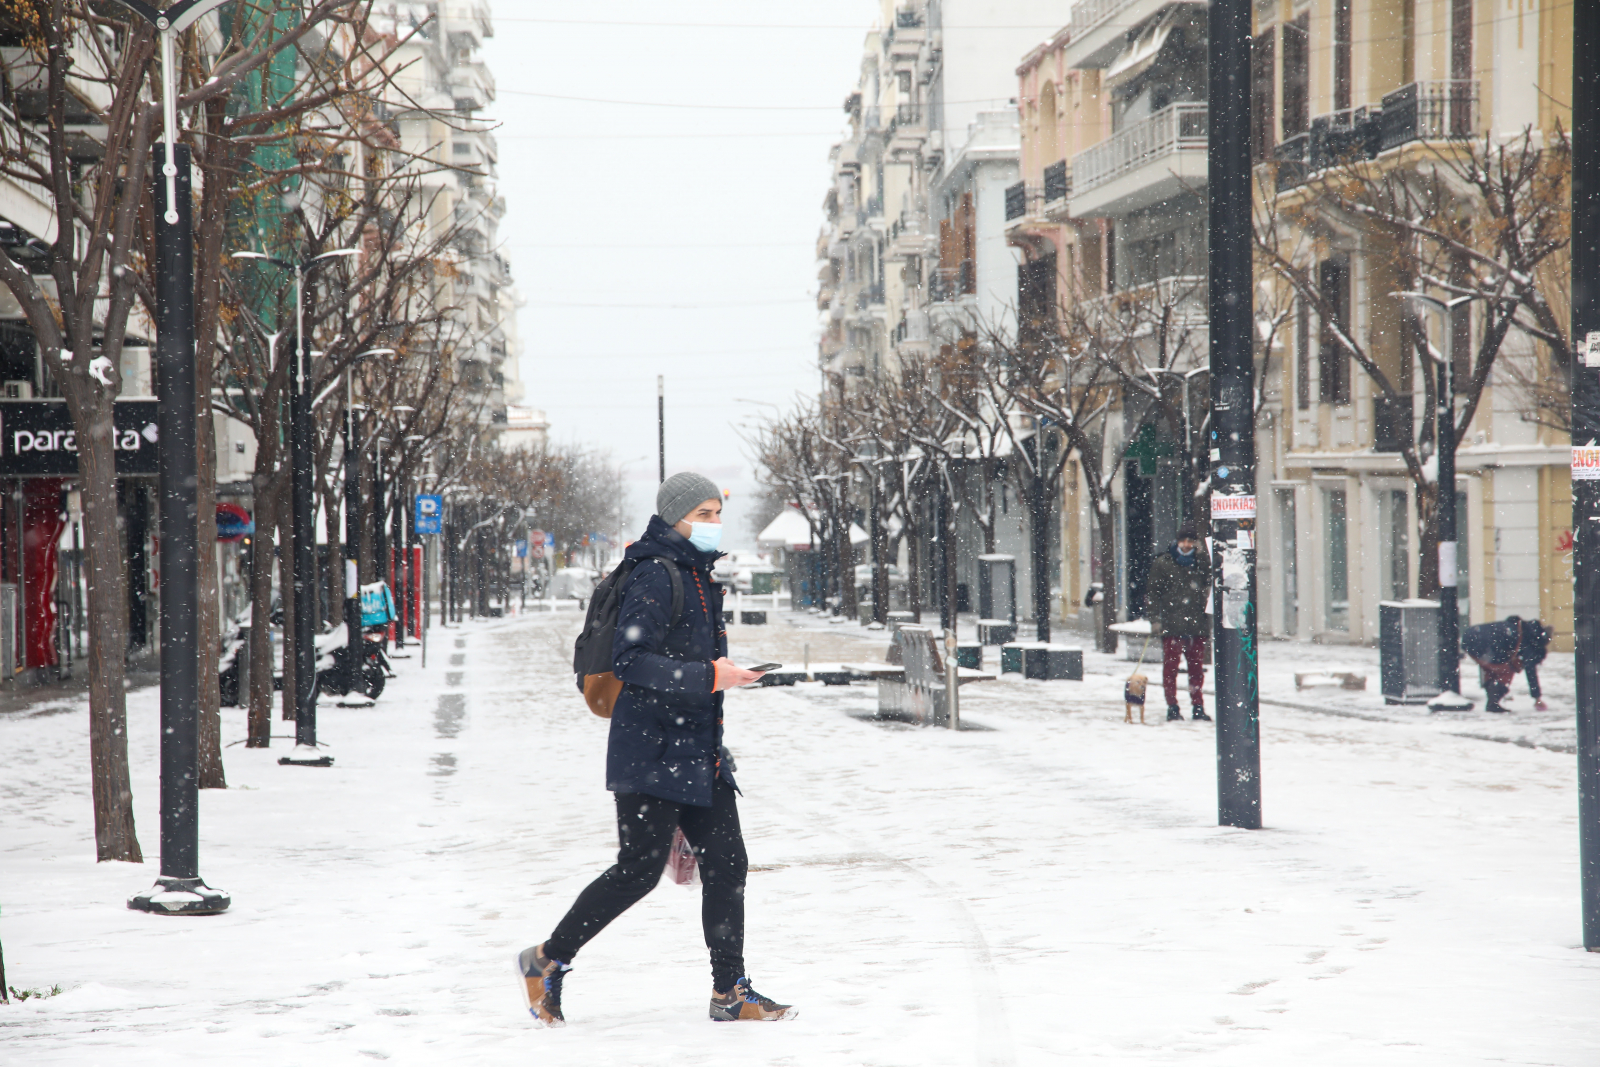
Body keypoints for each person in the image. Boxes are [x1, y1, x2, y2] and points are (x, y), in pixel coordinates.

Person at [517, 472, 796, 1026]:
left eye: (719, 513)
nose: (716, 524)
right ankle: (547, 959)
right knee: (638, 871)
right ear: (677, 517)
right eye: (707, 513)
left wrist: (723, 678)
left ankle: (730, 991)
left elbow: (693, 669)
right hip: (650, 748)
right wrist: (710, 675)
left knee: (727, 862)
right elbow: (631, 662)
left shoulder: (697, 574)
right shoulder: (656, 574)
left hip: (698, 748)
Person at [1146, 521, 1212, 722]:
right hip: (1172, 625)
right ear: (1177, 541)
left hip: (1196, 626)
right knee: (1171, 669)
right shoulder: (1164, 563)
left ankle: (1197, 705)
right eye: (1183, 540)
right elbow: (1152, 594)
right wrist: (1155, 620)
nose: (1186, 545)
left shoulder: (1202, 562)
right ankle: (1172, 706)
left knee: (1196, 670)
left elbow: (1210, 586)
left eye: (1190, 541)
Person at [1461, 615, 1552, 713]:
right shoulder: (1529, 640)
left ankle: (1492, 701)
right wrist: (1536, 697)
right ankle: (1493, 703)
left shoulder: (1519, 627)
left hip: (1470, 637)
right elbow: (1530, 670)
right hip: (1484, 644)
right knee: (1506, 671)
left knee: (1491, 670)